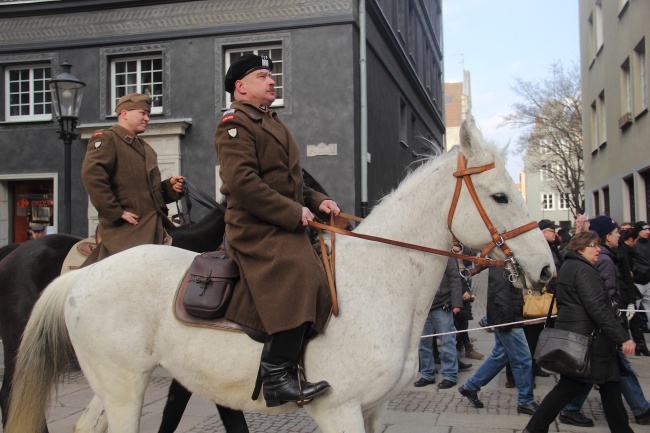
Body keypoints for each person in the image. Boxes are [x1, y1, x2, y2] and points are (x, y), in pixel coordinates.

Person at [214, 53, 339, 407]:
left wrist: (317, 201)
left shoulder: (272, 122)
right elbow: (242, 182)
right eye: (262, 76)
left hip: (280, 220)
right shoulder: (233, 122)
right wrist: (291, 210)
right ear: (241, 87)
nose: (271, 81)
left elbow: (292, 179)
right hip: (253, 226)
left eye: (271, 76)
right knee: (300, 270)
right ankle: (277, 373)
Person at [523, 231, 635, 433]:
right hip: (588, 341)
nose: (598, 249)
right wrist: (622, 336)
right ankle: (534, 428)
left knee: (610, 387)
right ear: (581, 249)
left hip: (588, 340)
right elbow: (597, 308)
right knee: (570, 387)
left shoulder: (570, 266)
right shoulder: (582, 270)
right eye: (594, 245)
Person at [559, 217, 650, 426]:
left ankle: (639, 409)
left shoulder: (599, 258)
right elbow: (602, 300)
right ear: (607, 237)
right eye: (616, 232)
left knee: (611, 374)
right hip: (600, 329)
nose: (619, 235)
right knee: (593, 374)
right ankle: (639, 409)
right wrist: (620, 332)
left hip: (600, 328)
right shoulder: (603, 261)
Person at [81, 93, 184, 264]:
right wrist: (116, 211)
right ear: (124, 113)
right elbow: (93, 177)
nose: (147, 119)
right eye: (142, 113)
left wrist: (169, 188)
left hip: (153, 226)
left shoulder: (145, 148)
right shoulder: (107, 138)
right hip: (127, 231)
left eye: (148, 114)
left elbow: (146, 193)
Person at [458, 266, 537, 415]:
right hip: (508, 319)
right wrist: (507, 322)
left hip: (508, 317)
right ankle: (526, 401)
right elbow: (500, 293)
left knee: (501, 355)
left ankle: (471, 386)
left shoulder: (506, 262)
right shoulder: (501, 263)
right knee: (522, 358)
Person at [415, 257, 470, 389]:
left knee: (447, 342)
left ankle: (450, 375)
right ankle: (427, 374)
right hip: (423, 306)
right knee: (423, 343)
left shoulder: (446, 255)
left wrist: (456, 303)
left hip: (441, 304)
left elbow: (455, 278)